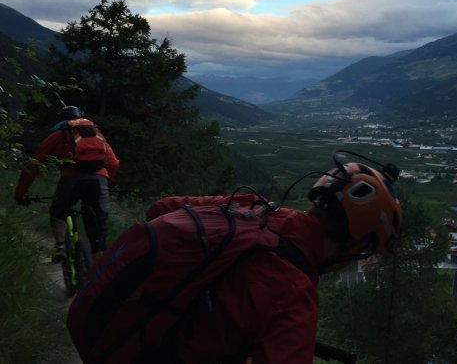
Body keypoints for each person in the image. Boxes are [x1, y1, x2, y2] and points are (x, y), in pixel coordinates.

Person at [68, 157, 402, 363]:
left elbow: (161, 209)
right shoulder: (293, 293)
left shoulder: (249, 206)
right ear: (355, 240)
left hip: (110, 324)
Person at [14, 105, 120, 261]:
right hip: (99, 181)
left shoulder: (59, 135)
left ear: (61, 120)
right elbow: (114, 164)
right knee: (97, 233)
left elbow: (32, 166)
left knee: (58, 211)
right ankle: (99, 275)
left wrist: (20, 194)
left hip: (72, 180)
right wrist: (105, 181)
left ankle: (60, 247)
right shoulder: (96, 135)